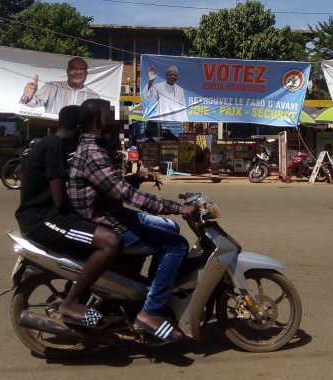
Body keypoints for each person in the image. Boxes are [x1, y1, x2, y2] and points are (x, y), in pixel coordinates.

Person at [68, 98, 197, 343]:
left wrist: (138, 177)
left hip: (112, 215)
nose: (116, 121)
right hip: (107, 223)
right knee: (177, 245)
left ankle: (149, 290)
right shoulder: (93, 153)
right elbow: (125, 195)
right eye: (110, 116)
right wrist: (177, 207)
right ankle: (149, 312)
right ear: (97, 121)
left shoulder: (96, 148)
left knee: (170, 229)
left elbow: (110, 187)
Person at [15, 105, 120, 327]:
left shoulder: (46, 142)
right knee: (110, 242)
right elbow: (59, 199)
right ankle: (70, 303)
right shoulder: (54, 147)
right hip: (41, 219)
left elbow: (19, 171)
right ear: (80, 128)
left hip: (44, 214)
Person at [20, 57, 101, 114]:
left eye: (81, 70)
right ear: (67, 71)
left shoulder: (94, 97)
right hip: (54, 134)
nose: (77, 72)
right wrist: (27, 96)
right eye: (73, 69)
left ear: (86, 74)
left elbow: (98, 125)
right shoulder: (52, 86)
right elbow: (33, 103)